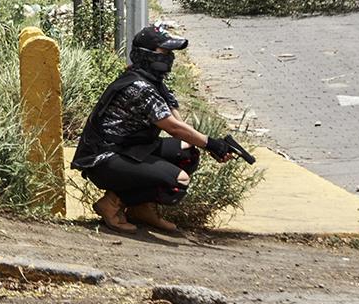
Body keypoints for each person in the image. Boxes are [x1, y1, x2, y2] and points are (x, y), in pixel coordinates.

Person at [73, 24, 247, 235]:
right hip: (104, 159)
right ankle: (111, 204)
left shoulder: (153, 83)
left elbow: (179, 124)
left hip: (127, 149)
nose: (169, 58)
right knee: (178, 181)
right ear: (146, 55)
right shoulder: (139, 87)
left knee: (187, 152)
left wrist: (211, 146)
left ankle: (141, 209)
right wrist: (211, 143)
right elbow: (172, 127)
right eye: (164, 52)